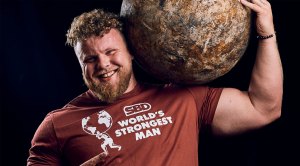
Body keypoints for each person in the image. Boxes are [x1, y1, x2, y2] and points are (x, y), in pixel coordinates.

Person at [27, 0, 283, 165]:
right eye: (90, 58)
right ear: (81, 64)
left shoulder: (183, 99)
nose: (103, 64)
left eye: (110, 52)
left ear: (132, 51)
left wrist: (267, 34)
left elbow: (263, 108)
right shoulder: (57, 125)